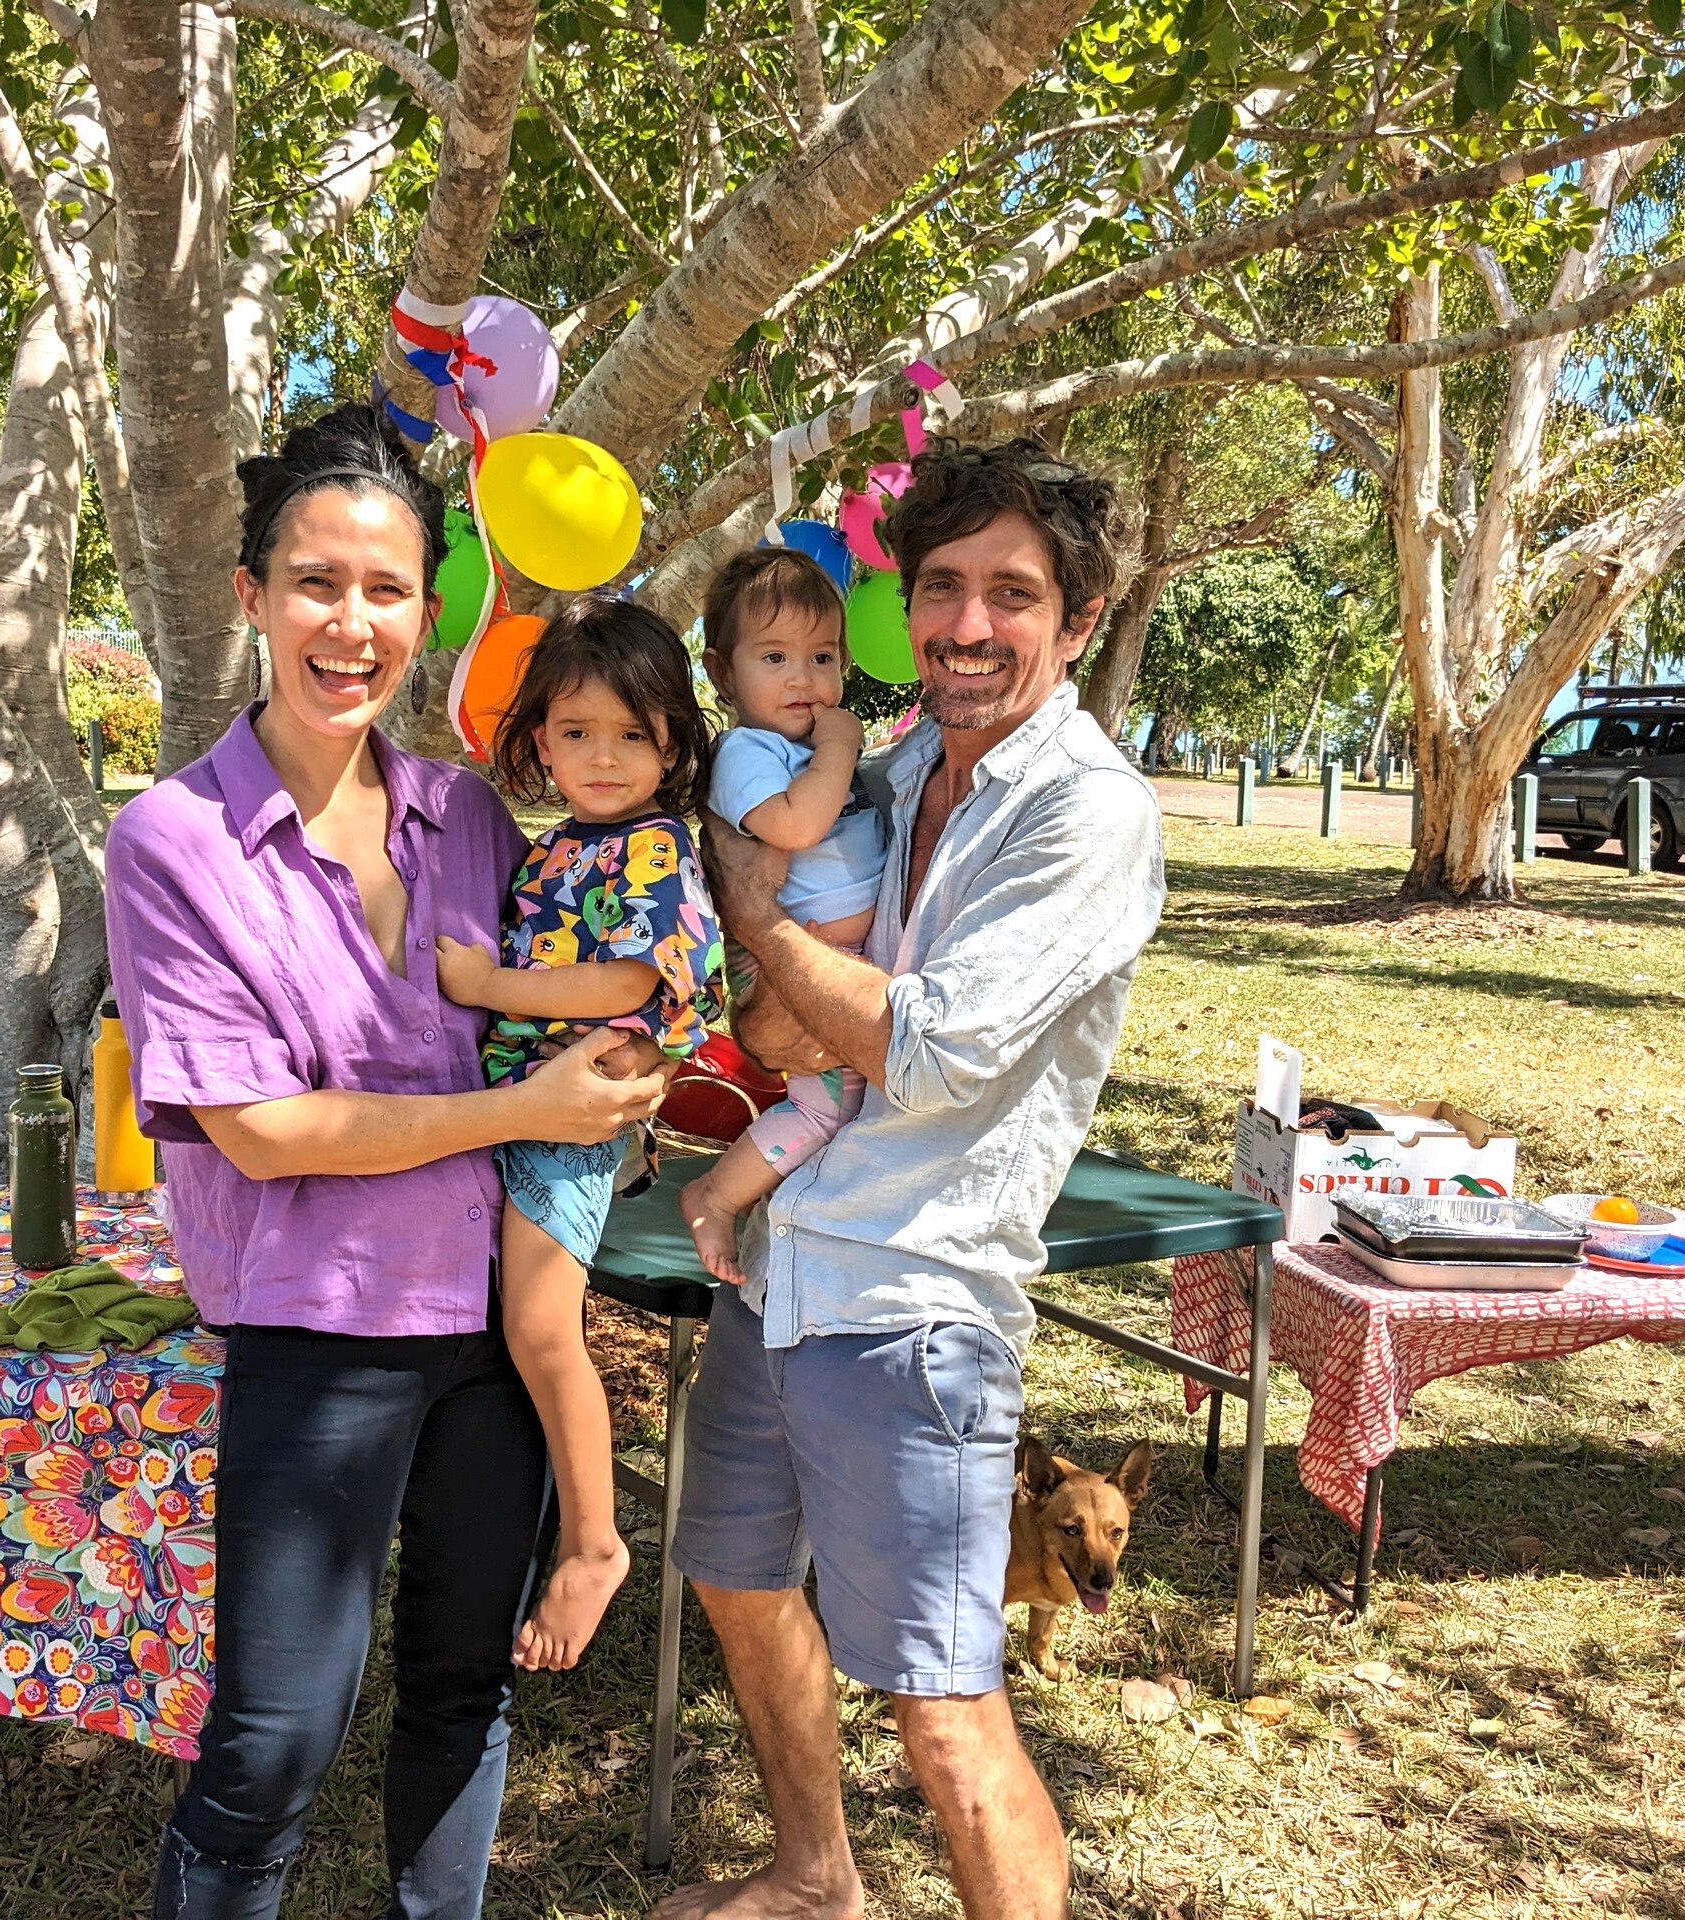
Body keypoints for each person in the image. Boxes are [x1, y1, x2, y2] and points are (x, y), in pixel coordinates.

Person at [102, 402, 670, 1920]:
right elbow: (264, 1130)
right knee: (276, 1743)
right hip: (320, 1334)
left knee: (461, 1694)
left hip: (488, 1332)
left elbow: (620, 949)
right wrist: (526, 1114)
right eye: (314, 582)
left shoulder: (470, 814)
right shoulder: (173, 841)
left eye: (386, 592)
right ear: (252, 595)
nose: (349, 624)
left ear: (431, 612)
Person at [657, 439, 1166, 1920]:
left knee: (944, 1706)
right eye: (942, 585)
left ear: (1074, 622)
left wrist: (762, 921)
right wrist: (788, 965)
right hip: (790, 1258)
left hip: (915, 1300)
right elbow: (775, 1029)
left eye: (1012, 593)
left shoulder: (1084, 809)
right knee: (740, 1582)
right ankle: (820, 1882)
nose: (966, 622)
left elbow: (927, 1054)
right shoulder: (882, 772)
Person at [431, 595, 723, 1670]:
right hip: (534, 1111)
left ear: (673, 744)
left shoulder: (645, 847)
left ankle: (596, 1542)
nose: (601, 757)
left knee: (546, 1331)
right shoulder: (571, 842)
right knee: (518, 1327)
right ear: (538, 735)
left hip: (569, 1117)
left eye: (632, 735)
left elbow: (630, 976)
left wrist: (488, 983)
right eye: (574, 732)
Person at [677, 546, 888, 1284]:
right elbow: (794, 828)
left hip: (839, 966)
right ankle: (714, 1195)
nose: (804, 678)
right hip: (790, 973)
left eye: (822, 656)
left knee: (852, 1115)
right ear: (724, 672)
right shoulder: (747, 751)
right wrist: (840, 745)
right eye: (775, 656)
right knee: (823, 1112)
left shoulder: (797, 749)